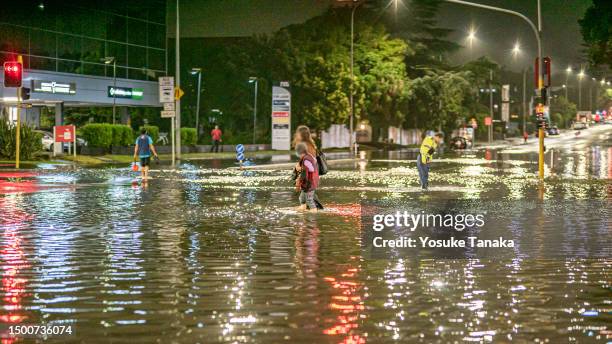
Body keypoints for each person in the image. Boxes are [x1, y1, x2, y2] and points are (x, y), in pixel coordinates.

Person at [292, 125, 324, 209]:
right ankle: (308, 209)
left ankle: (315, 210)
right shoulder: (309, 144)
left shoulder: (306, 145)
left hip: (309, 175)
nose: (296, 135)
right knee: (308, 195)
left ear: (301, 134)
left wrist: (299, 171)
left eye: (297, 133)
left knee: (309, 195)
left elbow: (308, 161)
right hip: (312, 174)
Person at [295, 142, 319, 212]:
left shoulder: (306, 159)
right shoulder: (308, 156)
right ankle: (303, 207)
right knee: (302, 197)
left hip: (310, 182)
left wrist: (300, 169)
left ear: (299, 152)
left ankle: (313, 211)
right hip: (308, 182)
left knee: (309, 199)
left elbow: (310, 170)